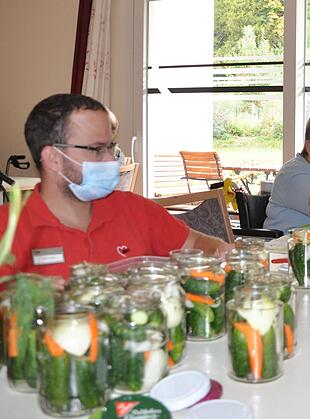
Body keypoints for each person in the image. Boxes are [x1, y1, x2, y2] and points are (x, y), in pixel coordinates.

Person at [0, 93, 230, 279]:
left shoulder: (134, 209)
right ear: (53, 158)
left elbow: (196, 243)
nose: (112, 160)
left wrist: (217, 249)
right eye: (97, 149)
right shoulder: (7, 230)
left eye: (111, 147)